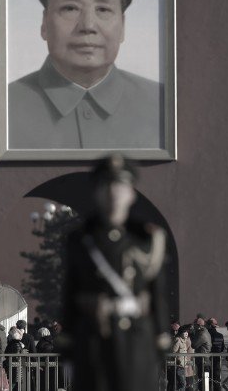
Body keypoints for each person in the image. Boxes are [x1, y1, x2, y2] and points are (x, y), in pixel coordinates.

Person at [8, 0, 163, 150]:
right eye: (70, 8)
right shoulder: (5, 106)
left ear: (122, 27)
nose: (88, 25)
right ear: (44, 24)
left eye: (103, 10)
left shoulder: (162, 104)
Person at [60, 154, 170, 391]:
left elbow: (156, 293)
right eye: (106, 185)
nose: (113, 192)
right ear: (97, 193)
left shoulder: (146, 239)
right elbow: (70, 292)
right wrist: (67, 342)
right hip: (94, 339)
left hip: (136, 339)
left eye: (120, 185)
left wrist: (161, 339)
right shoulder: (81, 240)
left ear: (131, 193)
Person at [168, 326, 190, 391]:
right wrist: (178, 360)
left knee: (182, 383)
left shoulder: (184, 340)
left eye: (187, 332)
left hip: (183, 366)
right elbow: (173, 352)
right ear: (181, 333)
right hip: (178, 366)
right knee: (182, 383)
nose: (186, 333)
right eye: (184, 332)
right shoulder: (178, 339)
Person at [206, 318, 224, 391]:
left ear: (209, 325)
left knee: (208, 379)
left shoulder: (207, 335)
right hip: (217, 359)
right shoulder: (220, 335)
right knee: (216, 379)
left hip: (208, 359)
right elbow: (222, 348)